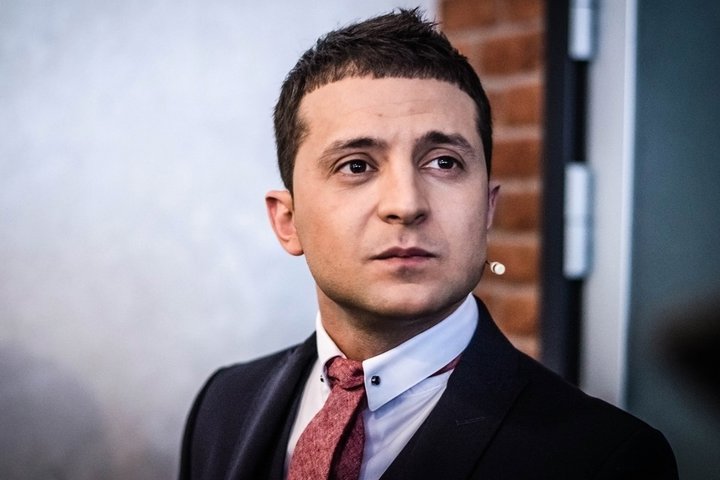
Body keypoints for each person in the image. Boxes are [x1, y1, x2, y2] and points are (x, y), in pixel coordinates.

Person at [179, 9, 677, 480]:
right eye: (356, 165)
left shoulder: (605, 459)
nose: (406, 204)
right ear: (288, 221)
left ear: (487, 210)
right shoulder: (223, 404)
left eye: (443, 162)